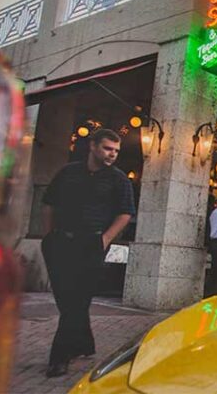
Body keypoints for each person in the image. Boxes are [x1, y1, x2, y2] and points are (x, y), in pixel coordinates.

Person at [40, 129, 135, 377]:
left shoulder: (118, 179)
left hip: (91, 245)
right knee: (67, 299)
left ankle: (59, 358)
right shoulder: (68, 172)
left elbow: (125, 213)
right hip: (60, 242)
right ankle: (84, 343)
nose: (112, 154)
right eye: (107, 148)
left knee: (77, 301)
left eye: (116, 151)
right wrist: (49, 236)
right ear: (92, 146)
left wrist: (104, 240)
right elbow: (49, 202)